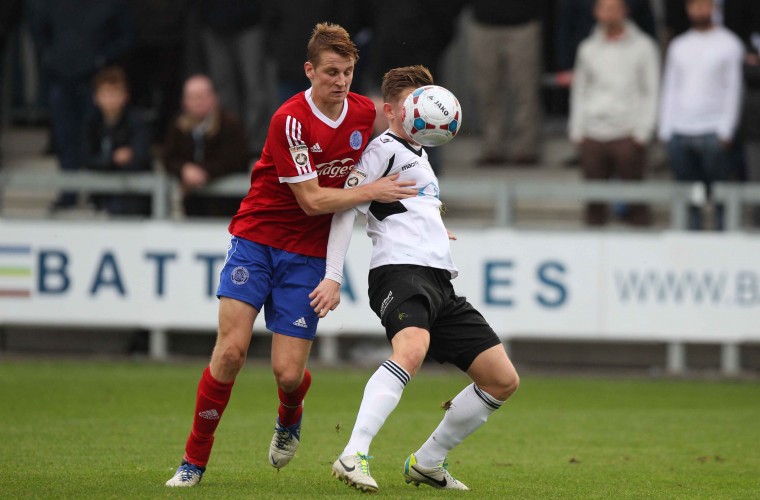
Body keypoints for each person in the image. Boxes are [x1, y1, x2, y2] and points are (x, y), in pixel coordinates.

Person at [164, 23, 418, 488]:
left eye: (347, 72)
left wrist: (431, 210)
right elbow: (312, 201)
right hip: (257, 238)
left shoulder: (363, 113)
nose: (340, 81)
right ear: (310, 70)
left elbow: (403, 151)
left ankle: (290, 414)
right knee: (231, 352)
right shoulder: (290, 118)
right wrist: (372, 189)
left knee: (287, 372)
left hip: (307, 256)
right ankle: (193, 461)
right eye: (331, 72)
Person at [309, 65, 520, 493]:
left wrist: (434, 227)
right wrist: (333, 276)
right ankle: (354, 453)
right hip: (398, 272)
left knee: (502, 379)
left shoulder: (421, 156)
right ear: (391, 111)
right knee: (412, 348)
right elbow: (346, 207)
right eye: (411, 106)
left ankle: (428, 461)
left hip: (439, 279)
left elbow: (405, 204)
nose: (422, 113)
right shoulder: (381, 149)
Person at [36, 0, 136, 210]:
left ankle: (96, 193)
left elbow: (126, 35)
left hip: (94, 81)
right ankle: (69, 191)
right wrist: (50, 57)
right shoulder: (53, 4)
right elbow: (39, 29)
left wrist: (101, 58)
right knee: (65, 138)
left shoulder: (111, 5)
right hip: (60, 79)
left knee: (94, 137)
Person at [569, 0, 660, 226]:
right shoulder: (587, 48)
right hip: (593, 134)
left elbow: (652, 90)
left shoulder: (643, 46)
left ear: (624, 11)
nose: (609, 14)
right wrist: (577, 130)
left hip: (628, 134)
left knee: (636, 205)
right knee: (594, 207)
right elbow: (580, 91)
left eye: (614, 8)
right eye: (604, 8)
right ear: (596, 12)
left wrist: (643, 132)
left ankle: (641, 255)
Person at [659, 0, 744, 230]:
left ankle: (722, 233)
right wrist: (665, 127)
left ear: (714, 8)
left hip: (714, 129)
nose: (700, 10)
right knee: (687, 192)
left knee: (719, 190)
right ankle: (691, 235)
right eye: (695, 5)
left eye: (705, 5)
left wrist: (726, 128)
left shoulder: (729, 44)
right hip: (680, 129)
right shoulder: (679, 45)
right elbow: (671, 87)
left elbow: (733, 90)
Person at [162, 74, 250, 218]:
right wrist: (184, 169)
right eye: (193, 97)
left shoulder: (230, 124)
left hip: (227, 206)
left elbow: (236, 159)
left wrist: (202, 172)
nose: (198, 101)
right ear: (184, 101)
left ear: (214, 98)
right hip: (190, 207)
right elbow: (168, 158)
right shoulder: (178, 126)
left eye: (202, 96)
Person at [469, 0, 544, 166]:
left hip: (523, 23)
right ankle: (492, 147)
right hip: (484, 22)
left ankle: (526, 148)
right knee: (486, 90)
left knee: (525, 90)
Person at [198, 0, 273, 156]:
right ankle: (231, 141)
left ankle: (256, 145)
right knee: (222, 90)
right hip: (213, 21)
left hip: (250, 20)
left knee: (255, 87)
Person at [83, 66, 152, 216]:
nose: (110, 99)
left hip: (133, 196)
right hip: (100, 194)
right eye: (106, 94)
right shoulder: (91, 123)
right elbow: (86, 158)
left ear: (125, 96)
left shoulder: (136, 122)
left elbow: (140, 158)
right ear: (96, 97)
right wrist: (112, 159)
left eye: (115, 93)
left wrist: (105, 162)